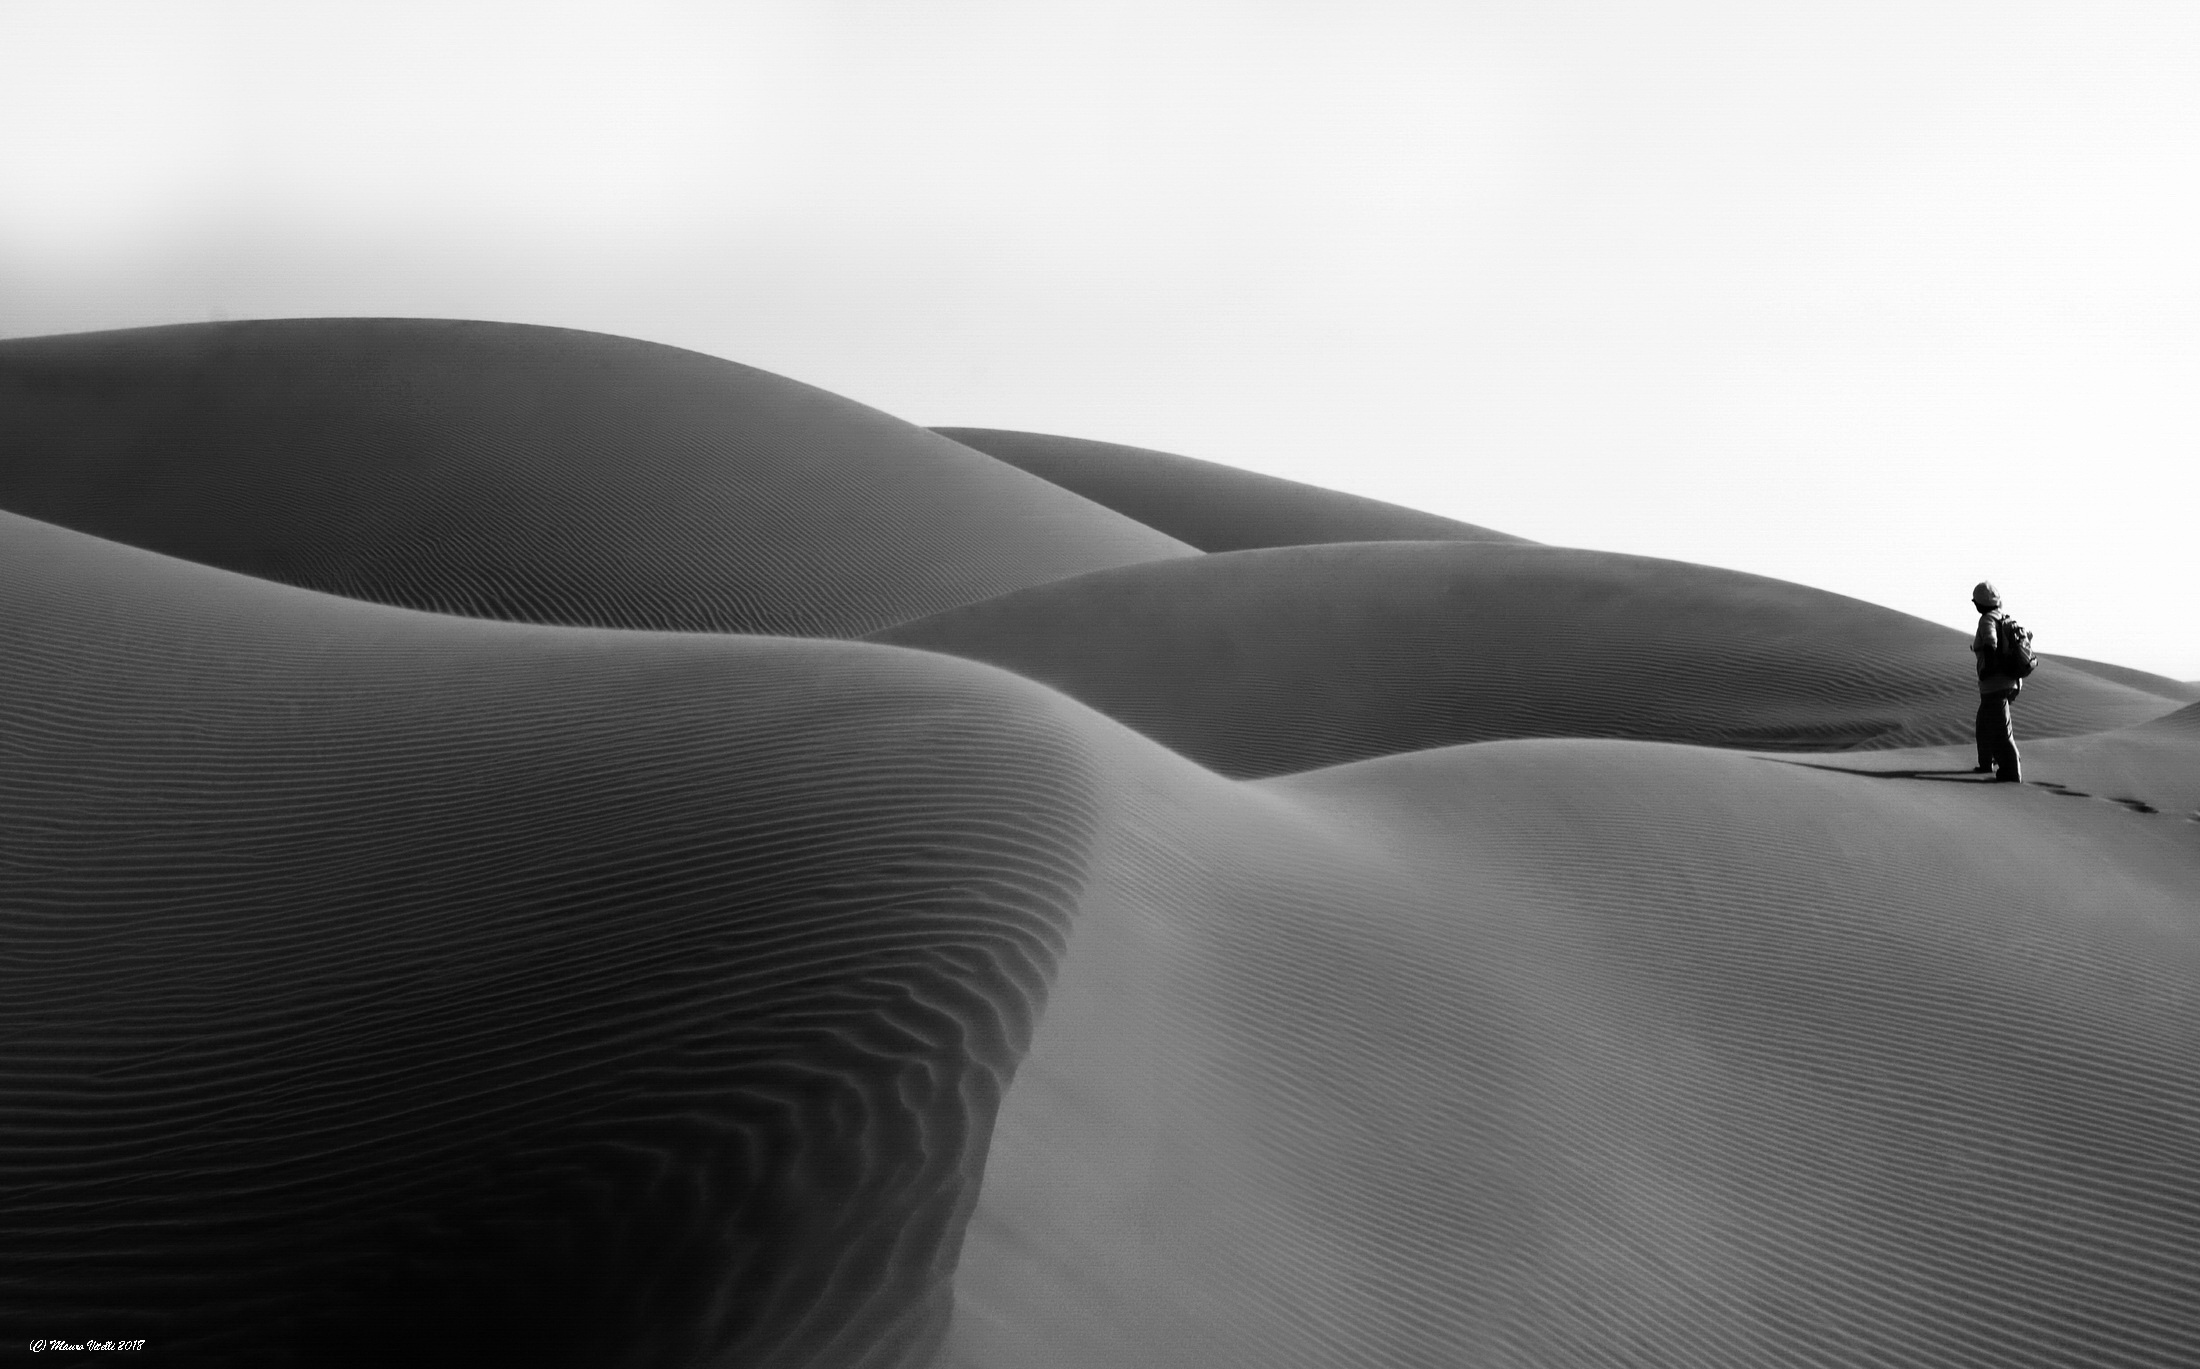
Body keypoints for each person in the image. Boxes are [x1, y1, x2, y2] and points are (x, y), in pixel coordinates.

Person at [1970, 581, 2022, 783]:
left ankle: (2011, 772)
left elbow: (1991, 643)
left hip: (1996, 684)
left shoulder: (1987, 620)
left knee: (2001, 731)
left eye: (1975, 601)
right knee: (1984, 724)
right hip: (2008, 682)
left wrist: (1987, 670)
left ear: (1980, 603)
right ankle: (1986, 762)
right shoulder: (2003, 617)